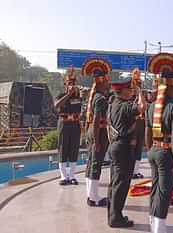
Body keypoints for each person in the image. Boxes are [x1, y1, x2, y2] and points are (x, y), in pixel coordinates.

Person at [146, 53, 173, 233]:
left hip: (154, 150)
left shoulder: (152, 106)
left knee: (155, 189)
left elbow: (147, 131)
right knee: (164, 191)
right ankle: (159, 228)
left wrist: (150, 150)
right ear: (171, 86)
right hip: (166, 153)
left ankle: (153, 223)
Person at [107, 72, 145, 228]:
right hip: (123, 147)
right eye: (129, 89)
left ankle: (113, 215)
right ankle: (116, 218)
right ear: (122, 92)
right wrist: (141, 92)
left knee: (115, 182)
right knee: (121, 184)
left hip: (115, 145)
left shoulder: (114, 103)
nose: (132, 92)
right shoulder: (124, 106)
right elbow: (142, 107)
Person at [84, 68, 111, 207]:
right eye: (106, 81)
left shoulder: (96, 96)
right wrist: (97, 140)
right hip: (98, 132)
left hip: (93, 131)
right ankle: (94, 198)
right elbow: (96, 120)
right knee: (96, 164)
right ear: (101, 83)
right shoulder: (100, 98)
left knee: (91, 163)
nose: (108, 83)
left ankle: (91, 194)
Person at [54, 67, 82, 185]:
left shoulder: (78, 96)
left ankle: (72, 176)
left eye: (73, 83)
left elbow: (80, 109)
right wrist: (68, 95)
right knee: (63, 148)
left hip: (75, 124)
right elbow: (56, 105)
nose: (71, 85)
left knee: (74, 149)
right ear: (65, 84)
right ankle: (63, 176)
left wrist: (77, 94)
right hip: (64, 123)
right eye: (69, 83)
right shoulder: (61, 95)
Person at [131, 68, 146, 179]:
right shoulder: (130, 96)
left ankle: (136, 171)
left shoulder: (142, 95)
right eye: (137, 83)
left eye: (140, 84)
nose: (138, 86)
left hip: (141, 122)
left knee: (139, 146)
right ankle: (130, 170)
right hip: (132, 123)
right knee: (132, 146)